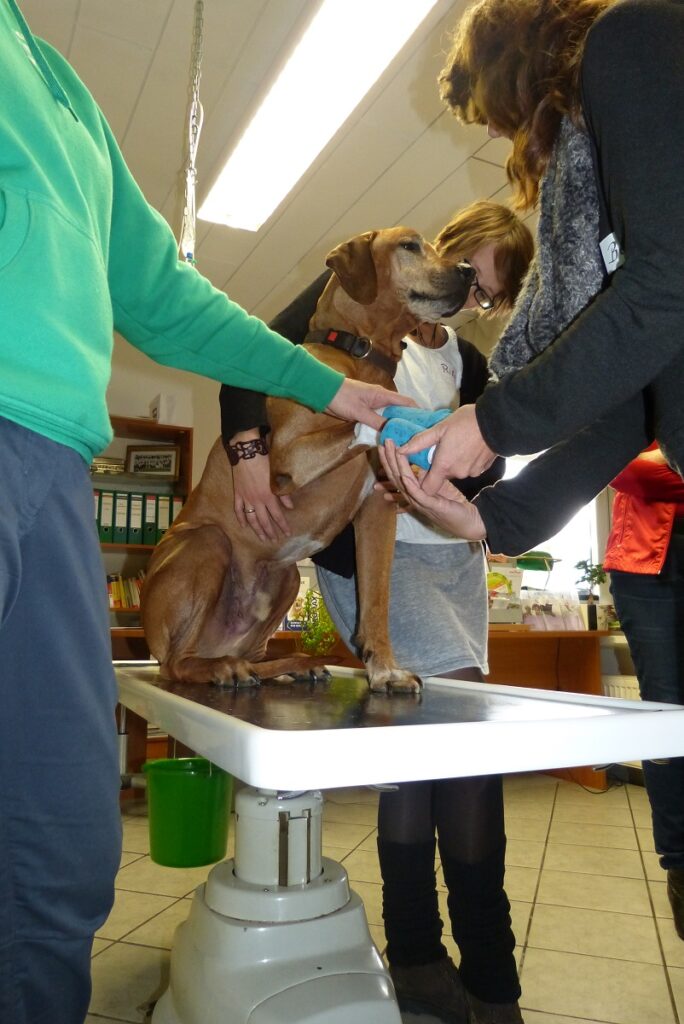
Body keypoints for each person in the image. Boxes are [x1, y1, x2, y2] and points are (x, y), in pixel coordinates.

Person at [0, 4, 409, 1023]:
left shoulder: (64, 94)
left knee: (61, 851)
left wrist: (338, 391)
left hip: (57, 466)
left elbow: (168, 300)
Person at [220, 200, 534, 1024]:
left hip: (452, 560)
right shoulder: (353, 315)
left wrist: (455, 469)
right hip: (377, 559)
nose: (471, 298)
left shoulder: (467, 360)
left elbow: (494, 460)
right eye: (472, 276)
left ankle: (422, 959)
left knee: (423, 756)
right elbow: (245, 359)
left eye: (489, 296)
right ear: (447, 251)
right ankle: (485, 978)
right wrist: (246, 453)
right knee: (462, 750)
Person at [378, 0, 684, 566]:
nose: (495, 130)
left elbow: (666, 289)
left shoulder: (633, 38)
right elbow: (635, 404)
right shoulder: (592, 156)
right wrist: (495, 517)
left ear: (507, 66)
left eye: (486, 112)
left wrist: (494, 424)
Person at [603, 445, 684, 938]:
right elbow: (625, 468)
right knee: (666, 719)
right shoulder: (637, 395)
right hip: (646, 567)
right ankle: (680, 864)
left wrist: (667, 468)